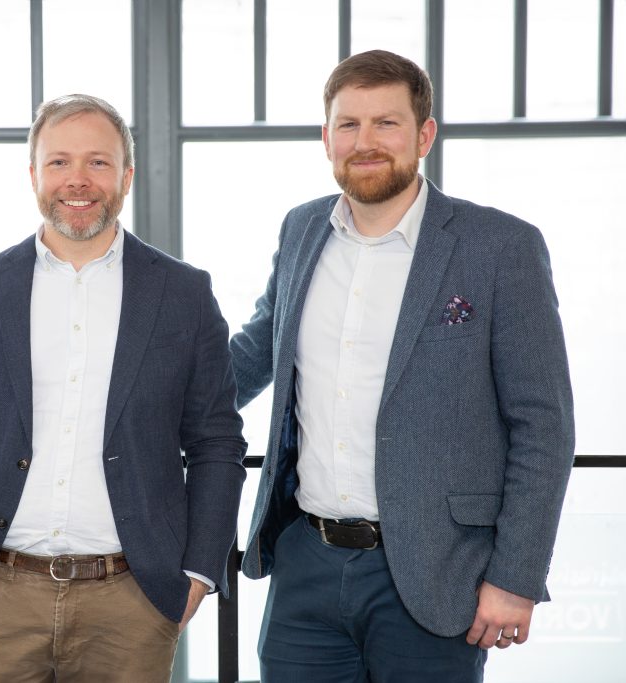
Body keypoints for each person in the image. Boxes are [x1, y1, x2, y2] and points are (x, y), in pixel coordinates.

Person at [231, 50, 574, 681]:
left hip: (437, 572)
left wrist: (515, 576)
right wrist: (142, 401)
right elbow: (258, 349)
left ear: (424, 135)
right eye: (348, 124)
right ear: (326, 137)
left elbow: (543, 426)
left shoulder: (500, 246)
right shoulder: (302, 228)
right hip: (306, 560)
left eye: (386, 124)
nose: (365, 142)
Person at [0, 94, 246, 682]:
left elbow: (217, 441)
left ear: (127, 175)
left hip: (132, 604)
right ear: (33, 174)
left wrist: (198, 572)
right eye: (59, 162)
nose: (78, 180)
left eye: (99, 162)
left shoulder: (184, 293)